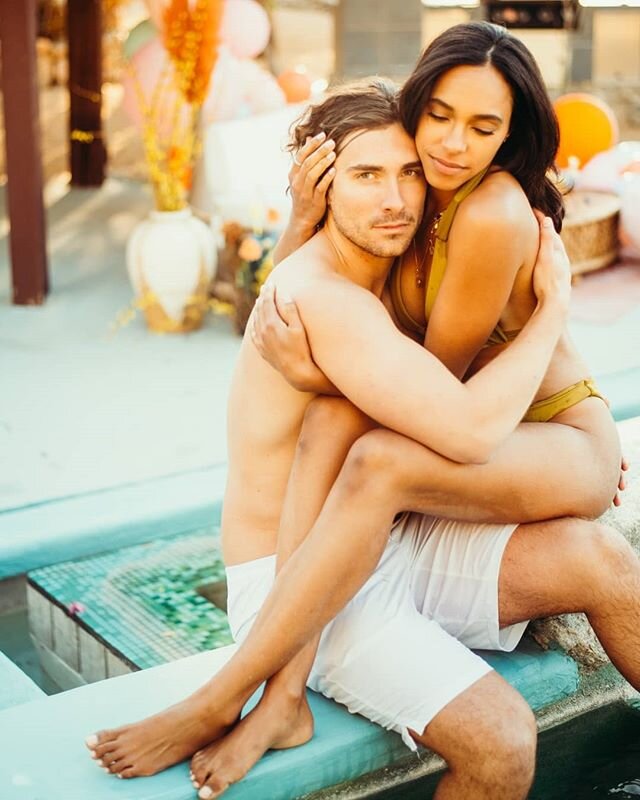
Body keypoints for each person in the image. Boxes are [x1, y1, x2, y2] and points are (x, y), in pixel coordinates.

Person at [83, 79, 603, 800]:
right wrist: (554, 310)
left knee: (599, 556)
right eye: (365, 176)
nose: (395, 198)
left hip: (378, 540)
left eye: (409, 173)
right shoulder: (323, 298)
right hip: (290, 587)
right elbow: (469, 431)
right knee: (503, 740)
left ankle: (277, 702)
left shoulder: (389, 272)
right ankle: (241, 695)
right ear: (320, 185)